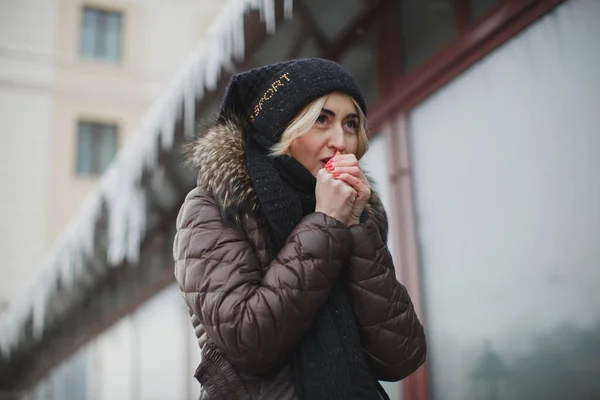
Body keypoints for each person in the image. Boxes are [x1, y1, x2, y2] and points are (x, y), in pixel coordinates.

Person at [173, 58, 426, 400]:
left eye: (350, 124)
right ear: (282, 128)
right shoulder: (214, 206)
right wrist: (326, 223)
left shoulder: (359, 214)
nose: (341, 140)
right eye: (322, 120)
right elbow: (250, 340)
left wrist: (353, 224)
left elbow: (401, 355)